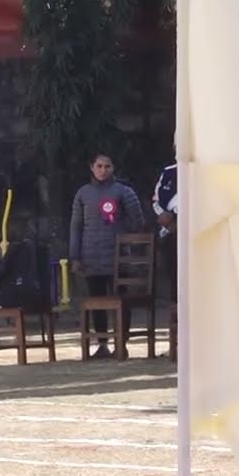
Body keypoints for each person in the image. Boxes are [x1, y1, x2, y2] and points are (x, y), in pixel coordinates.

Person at [69, 152, 146, 358]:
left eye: (107, 166)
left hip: (119, 258)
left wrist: (119, 232)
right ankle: (101, 343)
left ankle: (122, 343)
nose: (103, 170)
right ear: (92, 168)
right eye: (99, 166)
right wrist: (74, 257)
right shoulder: (82, 194)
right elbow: (76, 227)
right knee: (97, 302)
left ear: (113, 168)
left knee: (122, 302)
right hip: (91, 259)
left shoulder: (124, 192)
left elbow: (138, 221)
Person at [152, 163, 178, 302]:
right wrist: (164, 215)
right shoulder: (169, 172)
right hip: (170, 229)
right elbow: (157, 199)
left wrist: (177, 218)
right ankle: (176, 307)